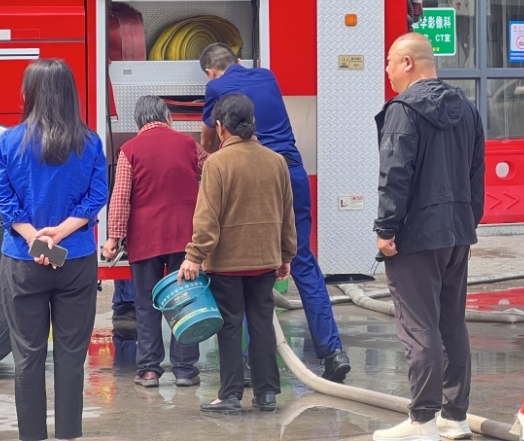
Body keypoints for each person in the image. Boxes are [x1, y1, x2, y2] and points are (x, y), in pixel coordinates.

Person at [199, 43, 350, 382]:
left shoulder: (216, 87)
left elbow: (208, 142)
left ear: (210, 72)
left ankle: (252, 361)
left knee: (248, 264)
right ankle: (333, 352)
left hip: (255, 175)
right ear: (239, 61)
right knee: (304, 261)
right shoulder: (267, 75)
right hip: (292, 170)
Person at [371, 33, 484, 441]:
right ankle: (454, 416)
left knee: (419, 326)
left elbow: (395, 173)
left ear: (407, 62)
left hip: (415, 235)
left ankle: (421, 421)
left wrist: (386, 228)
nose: (386, 69)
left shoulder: (404, 111)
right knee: (451, 322)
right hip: (457, 231)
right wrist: (468, 221)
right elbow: (476, 172)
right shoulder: (467, 109)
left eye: (389, 60)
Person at [0, 59, 108, 441]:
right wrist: (60, 233)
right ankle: (68, 434)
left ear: (29, 94)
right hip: (75, 259)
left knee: (28, 356)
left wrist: (34, 237)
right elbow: (97, 195)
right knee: (72, 356)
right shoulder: (90, 142)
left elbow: (2, 196)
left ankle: (32, 436)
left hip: (23, 260)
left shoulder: (10, 141)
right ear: (70, 94)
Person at [179, 93, 297, 415]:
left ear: (220, 127)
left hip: (227, 263)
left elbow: (206, 217)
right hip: (265, 259)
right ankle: (267, 394)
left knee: (230, 326)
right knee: (262, 323)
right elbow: (287, 214)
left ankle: (230, 395)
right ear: (253, 123)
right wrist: (286, 254)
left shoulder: (217, 163)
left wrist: (195, 254)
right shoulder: (276, 161)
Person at [102, 95, 207, 388]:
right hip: (184, 238)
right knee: (184, 300)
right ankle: (185, 369)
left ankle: (149, 370)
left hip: (145, 239)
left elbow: (120, 197)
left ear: (138, 121)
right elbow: (214, 174)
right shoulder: (188, 144)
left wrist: (114, 238)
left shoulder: (129, 150)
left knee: (146, 303)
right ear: (167, 116)